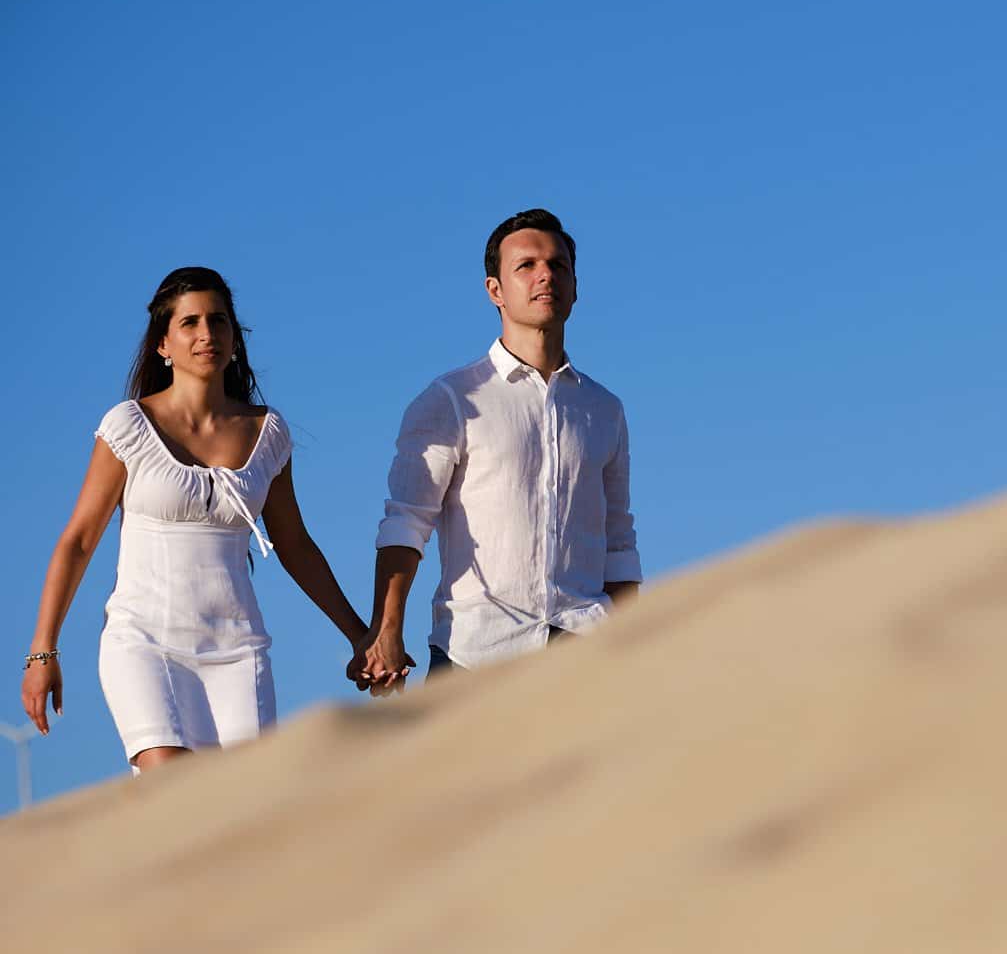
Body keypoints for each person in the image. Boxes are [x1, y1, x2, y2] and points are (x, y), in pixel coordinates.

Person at [22, 267, 371, 771]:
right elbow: (78, 540)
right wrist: (42, 652)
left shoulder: (267, 433)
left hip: (239, 649)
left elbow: (294, 544)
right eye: (190, 323)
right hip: (144, 642)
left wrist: (358, 635)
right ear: (163, 343)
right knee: (172, 787)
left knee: (241, 809)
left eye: (218, 321)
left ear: (234, 336)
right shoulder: (128, 426)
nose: (207, 334)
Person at [354, 208, 640, 694]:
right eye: (526, 266)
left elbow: (618, 542)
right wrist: (386, 631)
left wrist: (640, 642)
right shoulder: (451, 399)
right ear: (495, 290)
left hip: (587, 652)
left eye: (559, 266)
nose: (545, 274)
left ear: (575, 287)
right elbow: (406, 523)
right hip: (477, 653)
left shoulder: (604, 409)